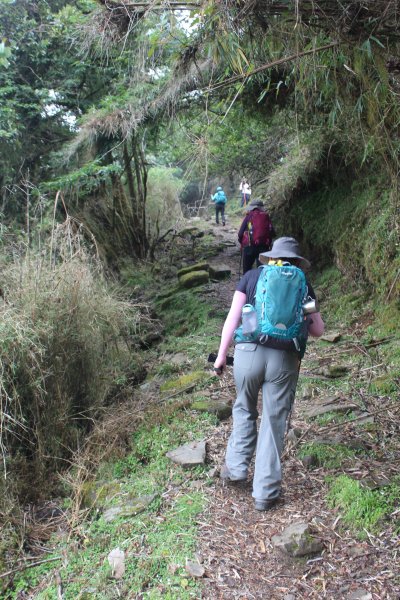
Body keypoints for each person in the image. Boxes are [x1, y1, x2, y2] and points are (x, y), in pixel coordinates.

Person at [213, 237, 325, 511]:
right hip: (284, 359)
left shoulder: (251, 276)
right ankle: (265, 492)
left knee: (243, 407)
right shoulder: (303, 284)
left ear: (271, 256)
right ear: (297, 262)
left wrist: (220, 356)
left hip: (247, 355)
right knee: (273, 420)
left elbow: (233, 317)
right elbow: (318, 330)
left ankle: (237, 469)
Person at [238, 199, 275, 274]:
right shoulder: (266, 216)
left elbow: (240, 233)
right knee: (262, 271)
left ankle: (247, 284)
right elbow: (272, 232)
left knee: (247, 270)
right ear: (261, 207)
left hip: (249, 246)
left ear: (252, 207)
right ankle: (260, 284)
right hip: (264, 247)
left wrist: (241, 242)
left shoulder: (249, 216)